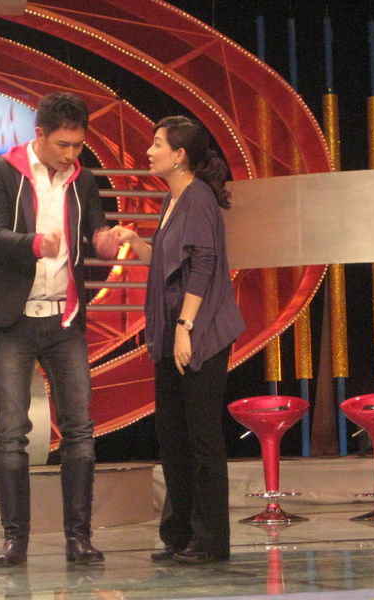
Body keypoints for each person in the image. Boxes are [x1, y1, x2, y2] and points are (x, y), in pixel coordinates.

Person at [0, 92, 119, 567]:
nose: (71, 154)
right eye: (63, 145)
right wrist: (34, 244)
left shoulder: (82, 179)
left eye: (78, 145)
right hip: (14, 319)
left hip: (64, 319)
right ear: (40, 135)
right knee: (12, 431)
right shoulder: (1, 171)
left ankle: (79, 538)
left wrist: (106, 241)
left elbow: (96, 233)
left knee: (79, 429)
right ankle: (16, 539)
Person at [112, 116, 244, 564]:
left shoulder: (199, 198)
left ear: (180, 154)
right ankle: (180, 532)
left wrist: (186, 327)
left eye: (157, 144)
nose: (149, 152)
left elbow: (203, 265)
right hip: (173, 332)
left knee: (202, 438)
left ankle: (211, 540)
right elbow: (170, 261)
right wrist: (136, 242)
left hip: (199, 332)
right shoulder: (174, 198)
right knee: (173, 435)